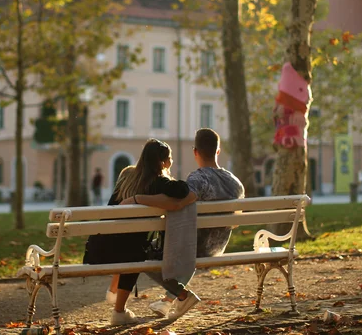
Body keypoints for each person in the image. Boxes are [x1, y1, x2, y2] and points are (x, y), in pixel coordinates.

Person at [130, 128, 245, 319]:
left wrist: (137, 199)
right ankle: (168, 301)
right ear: (218, 151)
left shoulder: (198, 179)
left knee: (141, 253)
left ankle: (180, 297)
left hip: (194, 247)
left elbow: (177, 203)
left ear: (195, 151)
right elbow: (236, 222)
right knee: (187, 242)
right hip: (218, 246)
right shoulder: (235, 182)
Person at [82, 139, 197, 326]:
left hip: (97, 249)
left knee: (130, 247)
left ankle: (114, 293)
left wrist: (135, 198)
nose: (171, 162)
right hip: (127, 255)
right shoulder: (159, 183)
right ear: (162, 162)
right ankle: (119, 311)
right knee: (135, 252)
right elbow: (183, 190)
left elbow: (112, 207)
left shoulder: (126, 175)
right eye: (170, 158)